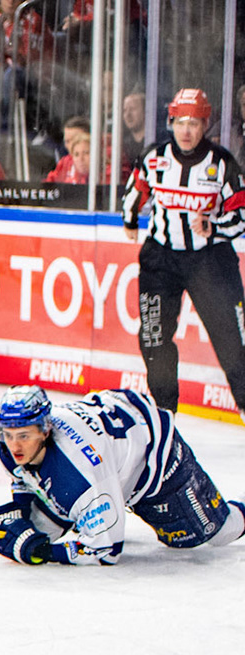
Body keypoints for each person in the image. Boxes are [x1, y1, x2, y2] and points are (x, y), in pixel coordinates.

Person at [0, 385, 245, 567]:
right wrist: (21, 516)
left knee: (218, 531)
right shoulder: (10, 449)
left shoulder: (82, 476)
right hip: (114, 443)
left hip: (157, 455)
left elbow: (106, 550)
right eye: (8, 434)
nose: (15, 446)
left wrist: (46, 552)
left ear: (45, 430)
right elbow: (23, 480)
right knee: (34, 532)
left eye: (24, 436)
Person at [120, 88, 245, 417]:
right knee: (154, 339)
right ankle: (164, 414)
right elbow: (135, 191)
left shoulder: (221, 163)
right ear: (170, 122)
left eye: (194, 123)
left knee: (233, 340)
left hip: (211, 261)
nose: (186, 131)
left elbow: (241, 216)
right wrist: (130, 218)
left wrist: (215, 227)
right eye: (180, 122)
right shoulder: (154, 158)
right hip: (160, 259)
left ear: (205, 125)